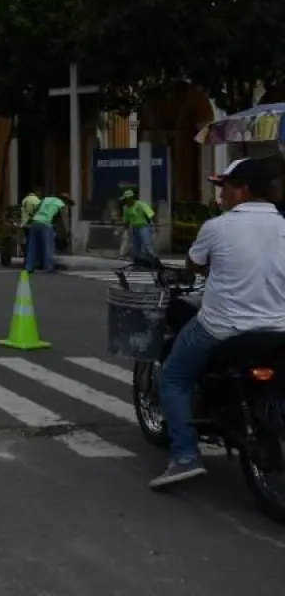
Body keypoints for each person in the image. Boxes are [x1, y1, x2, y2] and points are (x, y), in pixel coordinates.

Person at [152, 157, 285, 489]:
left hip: (222, 328)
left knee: (173, 377)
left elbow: (194, 264)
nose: (220, 194)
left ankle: (184, 456)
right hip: (278, 329)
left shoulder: (218, 226)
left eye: (224, 187)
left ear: (241, 190)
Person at [24, 191, 72, 273]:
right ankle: (48, 267)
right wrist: (67, 231)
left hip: (35, 222)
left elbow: (35, 209)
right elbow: (64, 218)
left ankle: (29, 266)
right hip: (46, 224)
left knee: (32, 246)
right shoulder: (61, 204)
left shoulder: (45, 199)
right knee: (48, 246)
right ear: (65, 200)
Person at [120, 190, 155, 261]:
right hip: (134, 228)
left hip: (144, 227)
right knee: (135, 246)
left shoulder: (141, 204)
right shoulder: (126, 208)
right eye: (125, 200)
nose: (126, 202)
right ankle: (137, 261)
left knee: (147, 244)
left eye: (127, 199)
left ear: (131, 198)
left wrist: (153, 223)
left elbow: (150, 214)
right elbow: (127, 220)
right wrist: (123, 229)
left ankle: (152, 260)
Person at [19, 188, 43, 267]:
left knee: (28, 242)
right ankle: (31, 262)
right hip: (31, 224)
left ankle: (27, 260)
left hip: (24, 224)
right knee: (33, 244)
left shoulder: (25, 199)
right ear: (38, 194)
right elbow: (36, 212)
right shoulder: (36, 201)